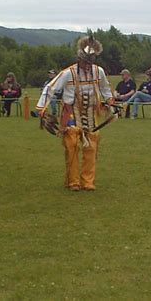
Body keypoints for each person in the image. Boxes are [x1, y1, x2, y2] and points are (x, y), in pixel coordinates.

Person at [36, 36, 114, 191]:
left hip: (91, 112)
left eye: (90, 62)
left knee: (91, 146)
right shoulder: (68, 73)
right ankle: (73, 182)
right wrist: (41, 108)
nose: (87, 65)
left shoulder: (99, 72)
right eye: (85, 62)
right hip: (70, 112)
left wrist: (110, 99)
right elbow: (50, 88)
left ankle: (88, 181)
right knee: (71, 145)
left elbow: (105, 87)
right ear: (79, 59)